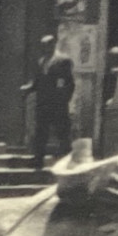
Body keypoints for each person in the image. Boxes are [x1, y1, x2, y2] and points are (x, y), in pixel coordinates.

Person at [25, 33, 76, 170]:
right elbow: (37, 82)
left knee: (62, 133)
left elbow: (69, 83)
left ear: (54, 44)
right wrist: (29, 88)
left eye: (47, 45)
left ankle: (68, 161)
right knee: (41, 132)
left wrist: (64, 99)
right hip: (43, 103)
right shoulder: (41, 61)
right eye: (43, 46)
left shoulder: (63, 60)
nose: (45, 48)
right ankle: (38, 160)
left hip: (58, 104)